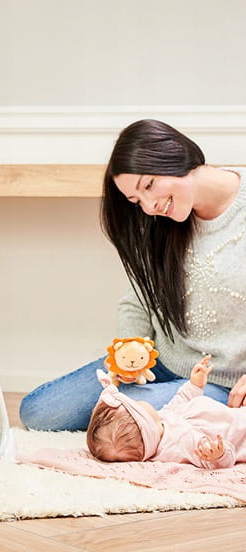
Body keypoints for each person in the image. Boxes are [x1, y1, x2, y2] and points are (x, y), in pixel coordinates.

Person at [19, 118, 246, 431]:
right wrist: (130, 351)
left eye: (148, 185)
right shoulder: (162, 222)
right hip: (160, 365)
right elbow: (139, 300)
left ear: (175, 154)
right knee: (38, 412)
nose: (150, 206)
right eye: (136, 201)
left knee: (120, 422)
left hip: (222, 383)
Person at [87, 356, 242, 469]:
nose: (138, 401)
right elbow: (218, 462)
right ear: (145, 422)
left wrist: (194, 384)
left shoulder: (160, 421)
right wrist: (218, 456)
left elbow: (181, 400)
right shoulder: (181, 444)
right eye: (135, 404)